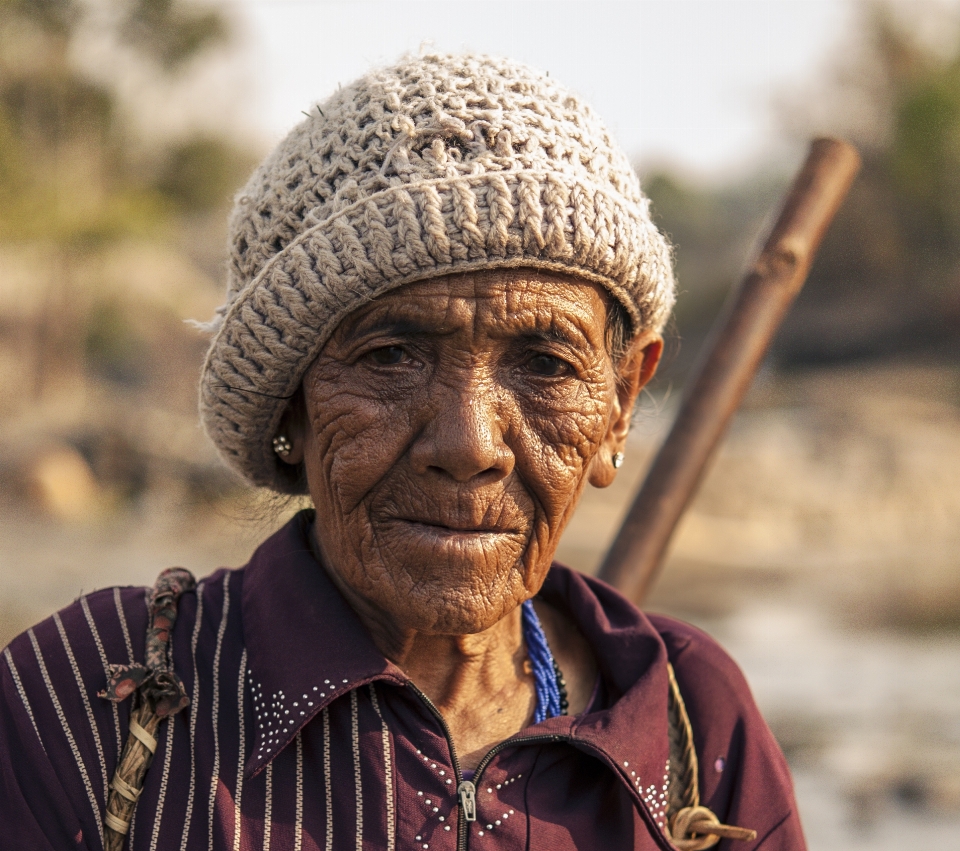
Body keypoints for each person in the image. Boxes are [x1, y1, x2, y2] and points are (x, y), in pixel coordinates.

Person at [0, 53, 805, 850]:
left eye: (546, 364)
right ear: (292, 401)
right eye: (392, 355)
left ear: (621, 404)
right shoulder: (84, 702)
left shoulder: (691, 719)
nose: (470, 445)